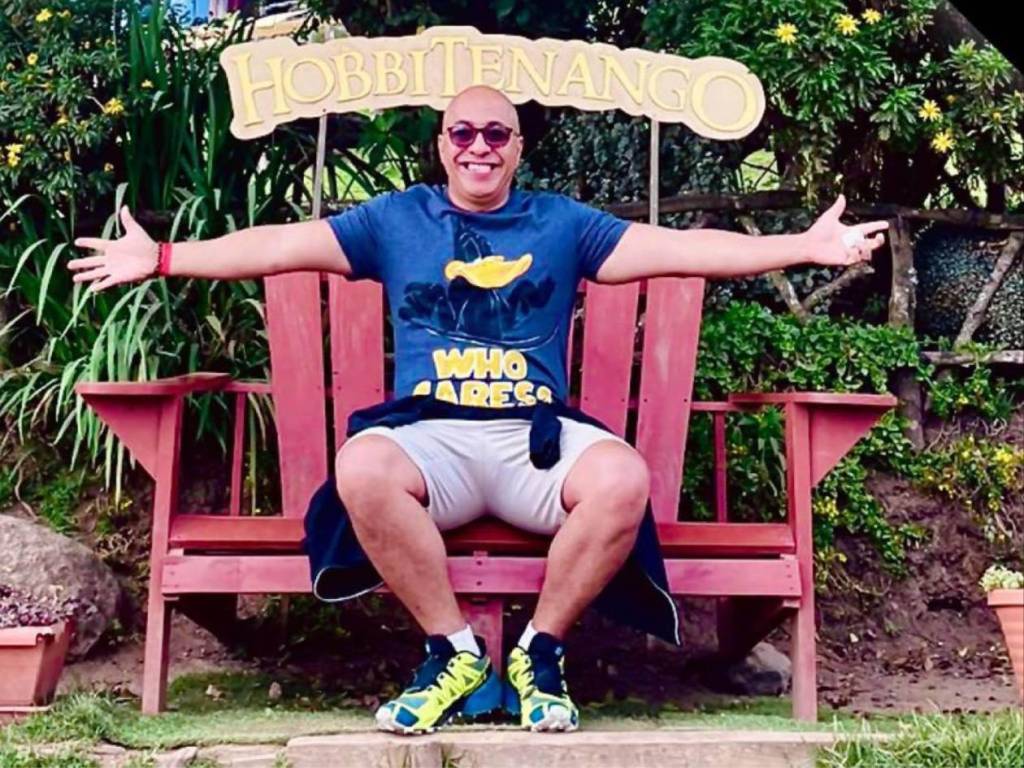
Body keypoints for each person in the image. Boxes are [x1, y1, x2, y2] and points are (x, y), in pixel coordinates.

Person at [70, 84, 887, 735]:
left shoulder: (562, 225)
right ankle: (454, 652)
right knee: (362, 465)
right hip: (434, 440)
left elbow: (684, 250)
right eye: (463, 133)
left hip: (535, 442)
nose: (479, 147)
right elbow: (281, 244)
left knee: (622, 478)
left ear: (518, 148)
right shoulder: (396, 221)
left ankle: (540, 654)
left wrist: (803, 246)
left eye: (497, 134)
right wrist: (164, 257)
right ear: (442, 145)